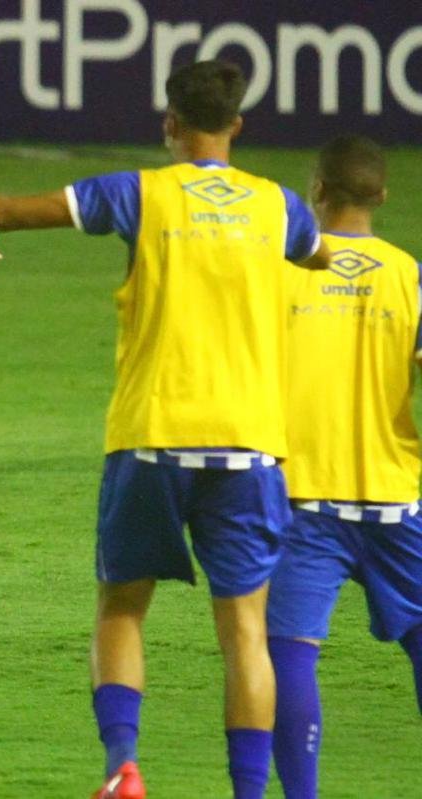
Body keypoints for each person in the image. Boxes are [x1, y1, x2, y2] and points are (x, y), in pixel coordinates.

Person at [0, 60, 331, 799]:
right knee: (245, 629)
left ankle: (123, 768)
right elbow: (323, 256)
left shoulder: (141, 192)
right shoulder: (279, 208)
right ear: (237, 125)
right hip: (248, 444)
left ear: (170, 123)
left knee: (121, 605)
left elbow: (28, 209)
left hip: (152, 434)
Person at [266, 135, 422, 798]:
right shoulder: (410, 273)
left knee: (291, 654)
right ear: (382, 195)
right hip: (398, 495)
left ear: (317, 193)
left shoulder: (281, 268)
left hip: (306, 497)